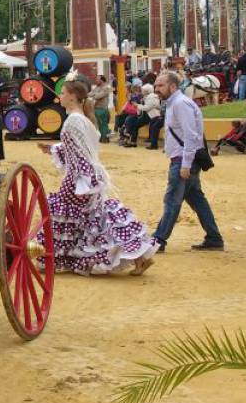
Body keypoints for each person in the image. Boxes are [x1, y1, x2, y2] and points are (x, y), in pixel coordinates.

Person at [35, 81, 158, 275]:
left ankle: (55, 258)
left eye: (64, 93)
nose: (61, 96)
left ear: (73, 97)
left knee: (74, 217)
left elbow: (80, 154)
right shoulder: (83, 119)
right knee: (96, 219)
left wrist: (81, 178)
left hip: (79, 178)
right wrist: (54, 148)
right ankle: (140, 257)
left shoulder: (73, 121)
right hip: (87, 177)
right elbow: (81, 148)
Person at [151, 71, 225, 251]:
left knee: (172, 200)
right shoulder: (176, 103)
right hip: (184, 158)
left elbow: (191, 136)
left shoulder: (179, 104)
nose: (156, 89)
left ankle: (158, 240)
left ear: (173, 86)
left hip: (183, 160)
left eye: (160, 85)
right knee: (196, 199)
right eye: (156, 85)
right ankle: (214, 238)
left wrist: (185, 164)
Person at [90, 74, 113, 143]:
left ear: (102, 80)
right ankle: (100, 139)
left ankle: (105, 139)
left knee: (103, 125)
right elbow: (90, 94)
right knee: (98, 125)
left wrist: (93, 95)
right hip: (96, 108)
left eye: (97, 79)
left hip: (102, 109)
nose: (96, 81)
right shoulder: (97, 87)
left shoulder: (106, 88)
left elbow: (98, 96)